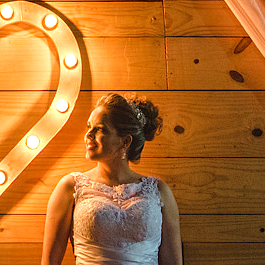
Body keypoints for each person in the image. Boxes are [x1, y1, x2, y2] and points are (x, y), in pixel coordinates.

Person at [41, 94, 182, 265]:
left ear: (125, 141)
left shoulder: (159, 191)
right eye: (89, 127)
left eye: (100, 129)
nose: (88, 135)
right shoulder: (70, 187)